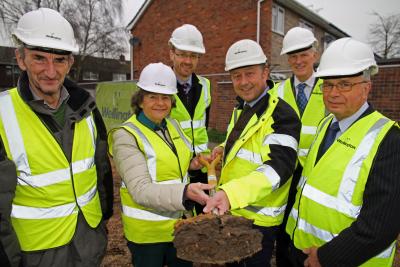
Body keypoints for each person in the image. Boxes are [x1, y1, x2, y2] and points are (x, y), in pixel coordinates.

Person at [0, 8, 113, 267]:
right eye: (39, 58)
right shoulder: (2, 115)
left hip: (88, 243)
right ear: (20, 59)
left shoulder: (87, 108)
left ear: (70, 63)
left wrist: (101, 227)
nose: (50, 71)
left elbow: (101, 171)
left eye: (59, 60)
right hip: (37, 254)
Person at [285, 38, 400, 267]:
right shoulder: (326, 124)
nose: (333, 93)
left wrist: (327, 257)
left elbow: (381, 225)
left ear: (367, 87)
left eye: (345, 84)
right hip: (301, 249)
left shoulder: (389, 140)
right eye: (328, 85)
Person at [204, 39, 301, 267]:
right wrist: (222, 150)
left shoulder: (282, 115)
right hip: (234, 211)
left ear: (265, 72)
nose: (243, 82)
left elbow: (278, 169)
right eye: (237, 76)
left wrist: (230, 194)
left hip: (258, 220)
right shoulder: (242, 108)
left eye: (250, 74)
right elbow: (241, 144)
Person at [108, 62, 214, 267]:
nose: (160, 103)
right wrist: (185, 193)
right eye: (152, 96)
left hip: (181, 226)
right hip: (149, 234)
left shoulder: (171, 125)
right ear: (140, 101)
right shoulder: (126, 135)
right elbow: (140, 190)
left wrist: (192, 164)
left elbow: (172, 166)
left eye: (165, 97)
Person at [270, 27, 327, 267]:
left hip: (317, 175)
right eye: (293, 56)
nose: (298, 61)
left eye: (303, 54)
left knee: (310, 229)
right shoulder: (278, 91)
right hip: (286, 175)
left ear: (314, 55)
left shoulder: (330, 88)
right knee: (284, 230)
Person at [168, 24, 211, 214]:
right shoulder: (161, 86)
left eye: (193, 56)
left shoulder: (205, 85)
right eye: (182, 54)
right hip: (174, 168)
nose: (188, 61)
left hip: (202, 166)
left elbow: (204, 123)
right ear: (172, 53)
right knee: (179, 220)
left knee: (205, 219)